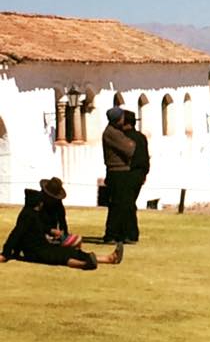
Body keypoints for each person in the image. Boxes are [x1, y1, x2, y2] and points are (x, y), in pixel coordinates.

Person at [0, 177, 123, 270]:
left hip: (43, 243)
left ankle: (108, 259)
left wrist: (63, 235)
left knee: (69, 249)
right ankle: (84, 264)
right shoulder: (28, 215)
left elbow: (61, 222)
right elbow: (16, 234)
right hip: (34, 249)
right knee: (59, 256)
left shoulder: (49, 207)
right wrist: (6, 254)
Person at [102, 106, 137, 244]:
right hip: (117, 172)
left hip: (121, 171)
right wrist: (131, 143)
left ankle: (123, 234)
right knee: (118, 204)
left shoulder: (116, 132)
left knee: (124, 204)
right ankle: (111, 234)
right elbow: (129, 148)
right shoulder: (112, 133)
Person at [123, 109, 150, 244]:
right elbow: (145, 157)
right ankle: (130, 232)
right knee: (130, 203)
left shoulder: (124, 138)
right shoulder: (141, 137)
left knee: (127, 204)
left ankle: (131, 233)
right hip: (139, 174)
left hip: (129, 173)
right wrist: (145, 173)